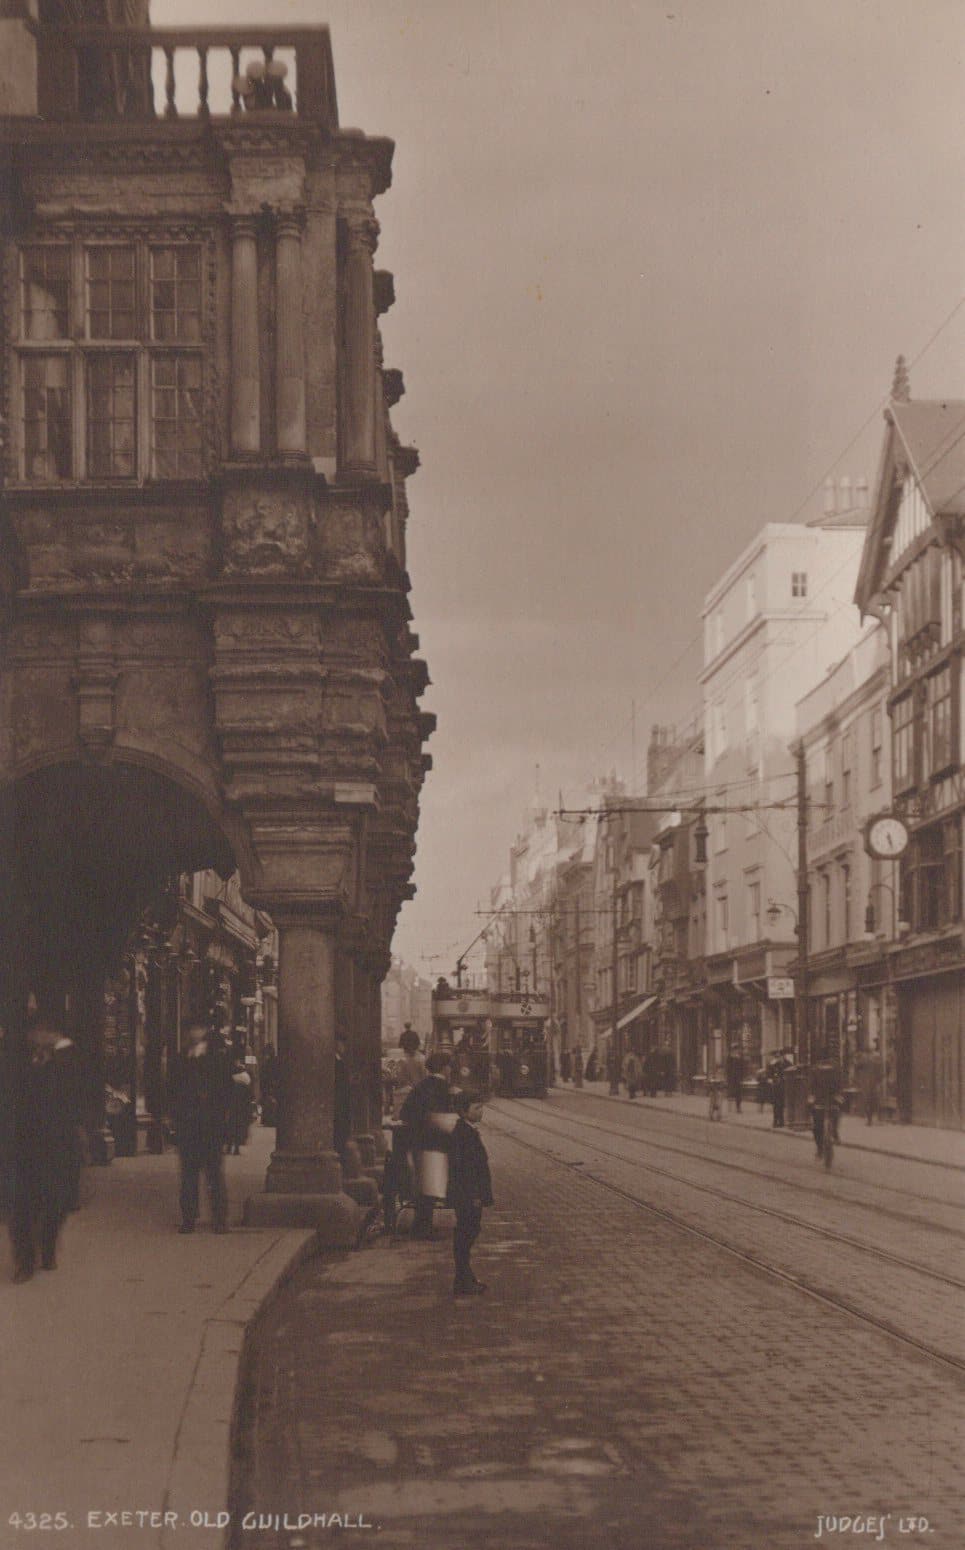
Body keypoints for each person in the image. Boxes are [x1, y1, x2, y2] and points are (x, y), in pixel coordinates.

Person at [10, 995, 85, 1281]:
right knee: (24, 1204)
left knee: (53, 1201)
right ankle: (25, 1262)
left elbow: (74, 1100)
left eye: (37, 1032)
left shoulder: (69, 1059)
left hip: (58, 1144)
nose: (32, 1038)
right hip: (27, 1143)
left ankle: (48, 1247)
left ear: (50, 1033)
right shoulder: (26, 1058)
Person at [168, 1022, 231, 1234]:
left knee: (213, 1174)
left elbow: (224, 1089)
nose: (193, 1033)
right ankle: (188, 1218)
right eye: (190, 1029)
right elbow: (172, 1089)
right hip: (188, 1125)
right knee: (188, 1175)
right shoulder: (181, 1057)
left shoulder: (216, 1057)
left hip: (210, 1125)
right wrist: (174, 1116)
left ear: (203, 1031)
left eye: (196, 1028)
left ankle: (219, 1218)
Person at [398, 1048, 452, 1239]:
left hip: (419, 1142)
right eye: (449, 1067)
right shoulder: (444, 1088)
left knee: (425, 1186)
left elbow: (405, 1114)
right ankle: (423, 1228)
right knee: (430, 1188)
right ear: (444, 1068)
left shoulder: (421, 1086)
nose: (450, 1071)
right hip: (435, 1142)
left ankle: (422, 1225)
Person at [447, 1089, 493, 1296]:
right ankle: (463, 1280)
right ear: (464, 1112)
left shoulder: (466, 1131)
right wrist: (474, 1195)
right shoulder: (463, 1134)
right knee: (466, 1234)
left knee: (468, 1233)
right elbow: (464, 1169)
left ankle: (465, 1277)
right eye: (476, 1108)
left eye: (481, 1106)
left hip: (468, 1194)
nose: (481, 1111)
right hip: (467, 1195)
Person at [809, 1055, 843, 1156]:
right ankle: (835, 1134)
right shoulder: (836, 1068)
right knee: (836, 1114)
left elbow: (811, 1085)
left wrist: (811, 1096)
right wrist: (839, 1094)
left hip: (820, 1099)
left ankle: (820, 1148)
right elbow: (840, 1082)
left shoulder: (815, 1069)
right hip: (831, 1098)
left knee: (816, 1127)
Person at [227, 1056, 252, 1155]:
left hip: (232, 1107)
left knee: (231, 1127)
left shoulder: (232, 1082)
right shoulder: (246, 1082)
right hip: (242, 1108)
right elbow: (249, 1097)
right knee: (239, 1127)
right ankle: (236, 1148)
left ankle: (229, 1146)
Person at [856, 1039, 884, 1125]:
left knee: (867, 1100)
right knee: (874, 1099)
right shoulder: (877, 1058)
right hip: (874, 1082)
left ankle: (868, 1118)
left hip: (866, 1082)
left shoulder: (864, 1058)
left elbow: (857, 1066)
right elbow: (881, 1070)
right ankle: (876, 1117)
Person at [333, 1034, 351, 1162]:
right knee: (340, 1133)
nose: (344, 1046)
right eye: (342, 1043)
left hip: (341, 1102)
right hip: (339, 1103)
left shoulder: (338, 1060)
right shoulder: (335, 1062)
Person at [259, 1042, 277, 1126]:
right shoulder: (274, 1061)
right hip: (271, 1085)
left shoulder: (268, 1063)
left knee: (268, 1102)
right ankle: (271, 1120)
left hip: (268, 1085)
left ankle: (268, 1120)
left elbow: (264, 1075)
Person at [726, 1043, 744, 1114]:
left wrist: (742, 1077)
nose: (736, 1051)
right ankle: (730, 1108)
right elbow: (728, 1068)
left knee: (738, 1094)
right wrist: (728, 1077)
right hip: (732, 1078)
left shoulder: (739, 1058)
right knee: (731, 1093)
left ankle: (738, 1107)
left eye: (737, 1049)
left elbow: (742, 1068)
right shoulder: (730, 1058)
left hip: (738, 1078)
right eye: (734, 1049)